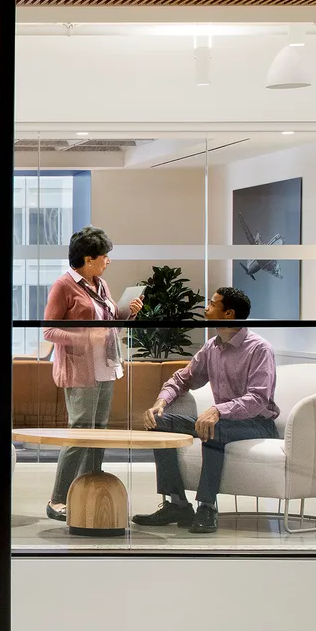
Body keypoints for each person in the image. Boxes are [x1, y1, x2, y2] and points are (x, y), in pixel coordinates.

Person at [133, 285, 279, 535]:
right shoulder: (212, 346)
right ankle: (177, 503)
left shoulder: (259, 349)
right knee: (159, 423)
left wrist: (219, 410)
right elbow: (183, 378)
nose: (206, 309)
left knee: (213, 426)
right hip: (221, 420)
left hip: (257, 423)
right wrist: (161, 403)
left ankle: (207, 506)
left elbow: (258, 398)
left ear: (229, 314)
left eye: (212, 304)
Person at [41, 227, 142, 522]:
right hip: (79, 369)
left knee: (98, 433)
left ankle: (88, 491)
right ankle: (58, 498)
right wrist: (86, 338)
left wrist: (129, 313)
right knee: (79, 432)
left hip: (106, 367)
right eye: (104, 255)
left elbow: (110, 323)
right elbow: (49, 329)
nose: (108, 260)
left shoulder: (101, 284)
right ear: (88, 258)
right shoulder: (64, 286)